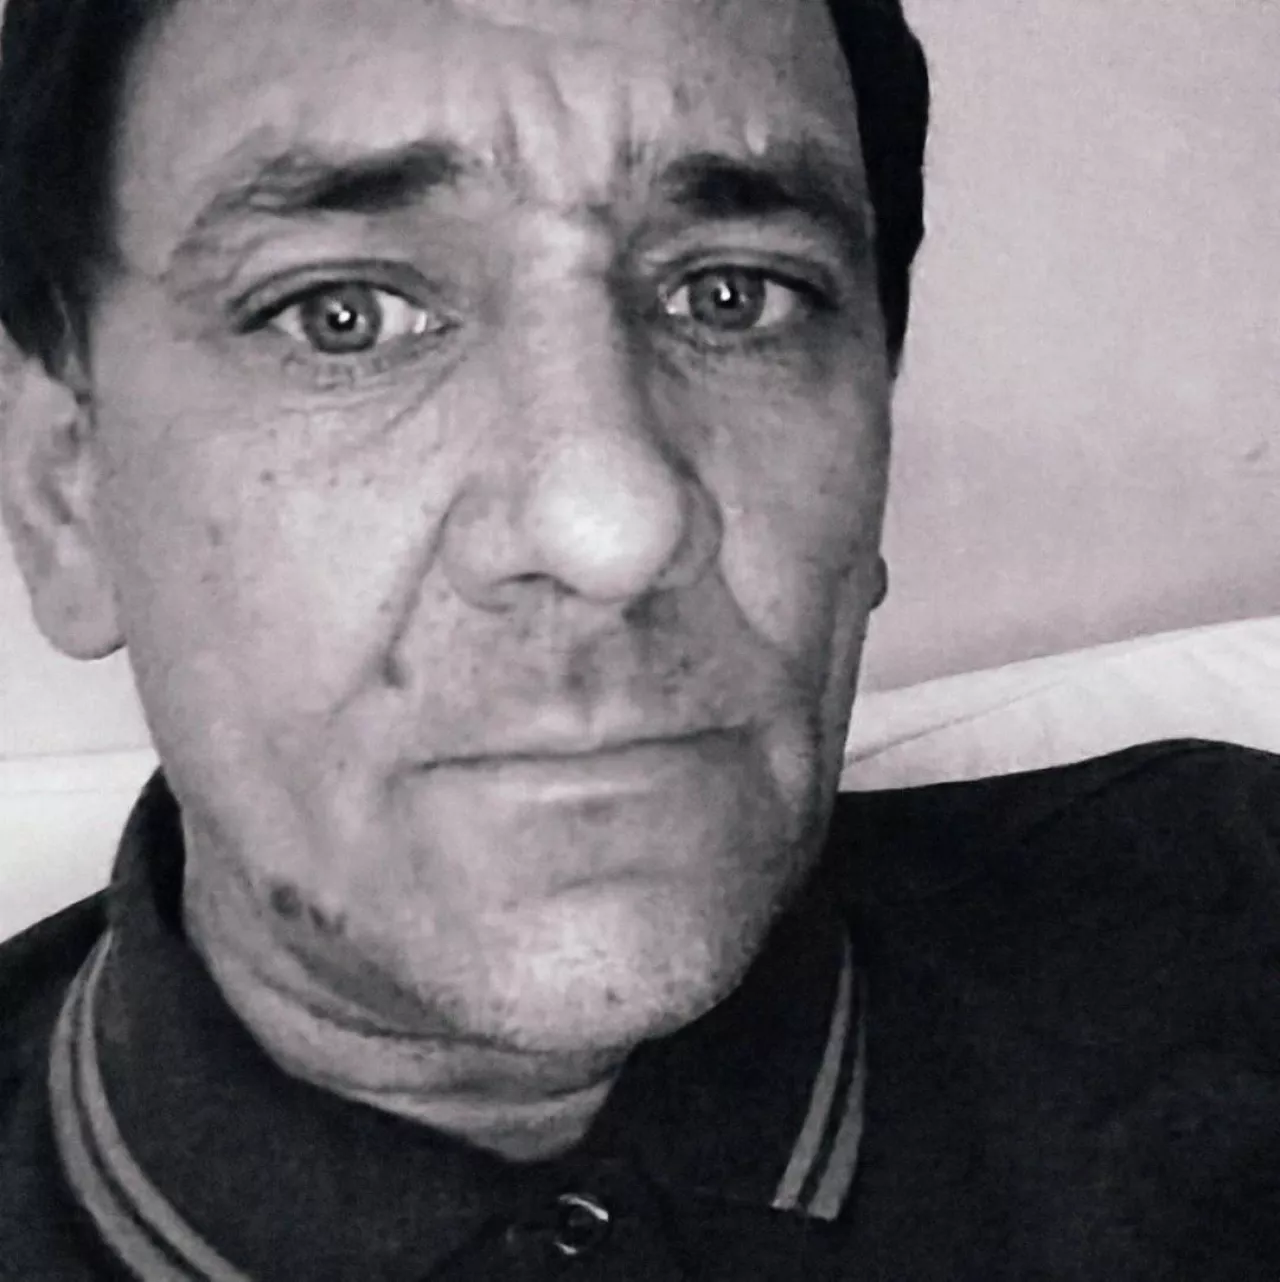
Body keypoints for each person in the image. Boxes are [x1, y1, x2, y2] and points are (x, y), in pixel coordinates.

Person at [0, 0, 1275, 1276]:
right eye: (344, 314)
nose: (614, 526)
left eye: (734, 296)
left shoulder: (1233, 932)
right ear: (64, 490)